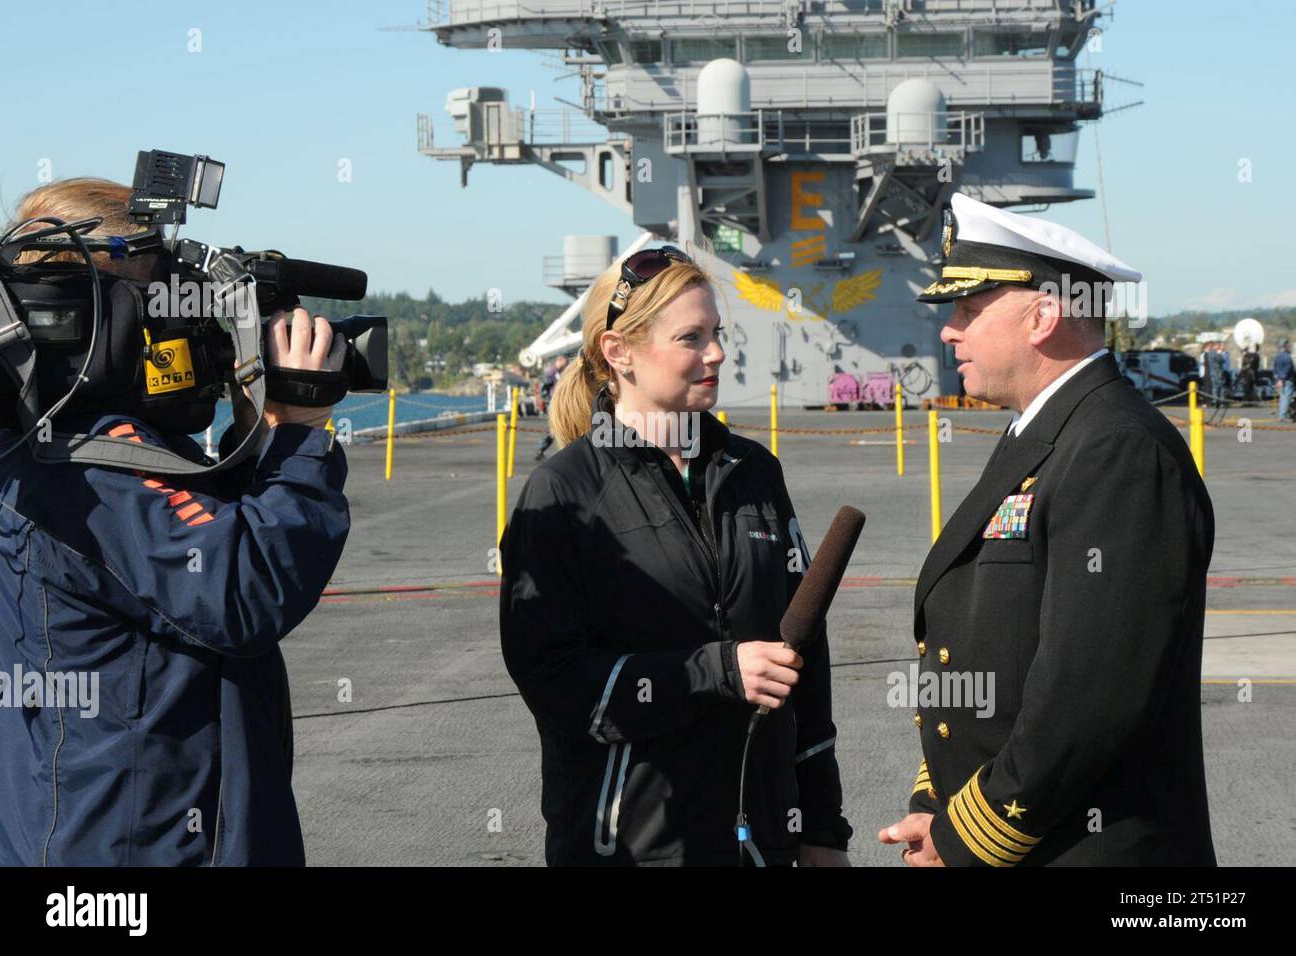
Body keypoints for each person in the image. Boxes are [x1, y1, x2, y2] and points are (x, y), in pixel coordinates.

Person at [0, 178, 350, 865]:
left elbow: (177, 563)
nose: (181, 320)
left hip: (78, 827)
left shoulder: (38, 441)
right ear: (106, 302)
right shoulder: (96, 463)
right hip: (139, 844)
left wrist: (259, 442)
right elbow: (238, 589)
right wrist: (301, 436)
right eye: (159, 292)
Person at [879, 192, 1215, 866]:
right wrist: (940, 798)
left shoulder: (1117, 450)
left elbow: (1088, 695)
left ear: (1043, 316)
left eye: (970, 311)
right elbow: (989, 648)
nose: (950, 330)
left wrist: (963, 838)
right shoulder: (1045, 435)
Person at [500, 245, 852, 866]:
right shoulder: (564, 493)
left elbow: (807, 664)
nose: (716, 353)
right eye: (691, 338)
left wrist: (821, 828)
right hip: (634, 848)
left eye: (717, 333)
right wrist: (713, 673)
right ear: (619, 352)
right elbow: (552, 681)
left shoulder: (755, 472)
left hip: (763, 845)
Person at [533, 353, 568, 461]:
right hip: (553, 403)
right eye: (566, 360)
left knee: (556, 429)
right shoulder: (552, 372)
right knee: (555, 429)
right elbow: (544, 389)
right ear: (561, 360)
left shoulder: (558, 372)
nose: (567, 363)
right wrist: (548, 401)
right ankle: (541, 450)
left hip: (558, 403)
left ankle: (541, 450)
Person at [1275, 339, 1294, 422]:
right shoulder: (1287, 357)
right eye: (1288, 345)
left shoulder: (1278, 356)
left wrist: (1278, 379)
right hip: (1288, 380)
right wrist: (1282, 379)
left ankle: (1282, 415)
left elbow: (1275, 369)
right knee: (1286, 397)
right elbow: (1288, 369)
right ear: (1285, 346)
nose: (1290, 347)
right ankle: (1283, 416)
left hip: (1281, 380)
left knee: (1283, 397)